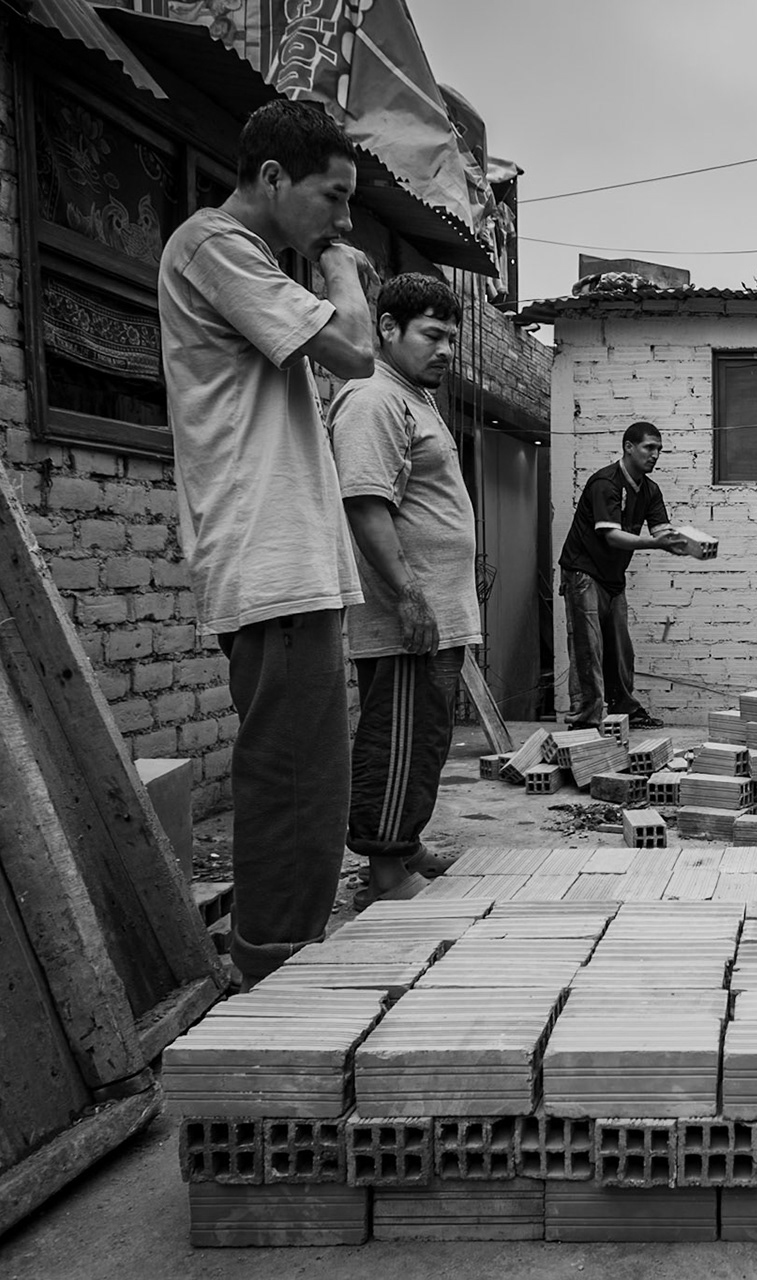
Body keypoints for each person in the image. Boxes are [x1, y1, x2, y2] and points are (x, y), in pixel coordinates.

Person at [158, 100, 376, 986]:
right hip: (270, 559)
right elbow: (357, 350)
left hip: (289, 562)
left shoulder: (240, 260)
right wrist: (340, 271)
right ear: (275, 178)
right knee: (292, 787)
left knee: (309, 784)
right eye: (334, 197)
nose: (345, 221)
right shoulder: (217, 246)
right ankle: (274, 980)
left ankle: (282, 961)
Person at [330, 273, 479, 906]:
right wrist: (409, 595)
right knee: (397, 739)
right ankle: (385, 873)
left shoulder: (415, 399)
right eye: (432, 335)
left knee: (425, 738)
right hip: (407, 614)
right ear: (388, 329)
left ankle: (406, 842)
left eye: (451, 337)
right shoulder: (373, 398)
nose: (445, 350)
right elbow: (365, 503)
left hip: (435, 611)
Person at [558, 422, 688, 729]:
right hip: (583, 572)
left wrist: (690, 542)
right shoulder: (606, 482)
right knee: (588, 648)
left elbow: (662, 531)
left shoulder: (650, 490)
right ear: (628, 447)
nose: (655, 455)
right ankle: (585, 719)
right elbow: (612, 537)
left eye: (659, 450)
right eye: (649, 448)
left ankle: (623, 710)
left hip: (613, 577)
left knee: (620, 650)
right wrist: (658, 543)